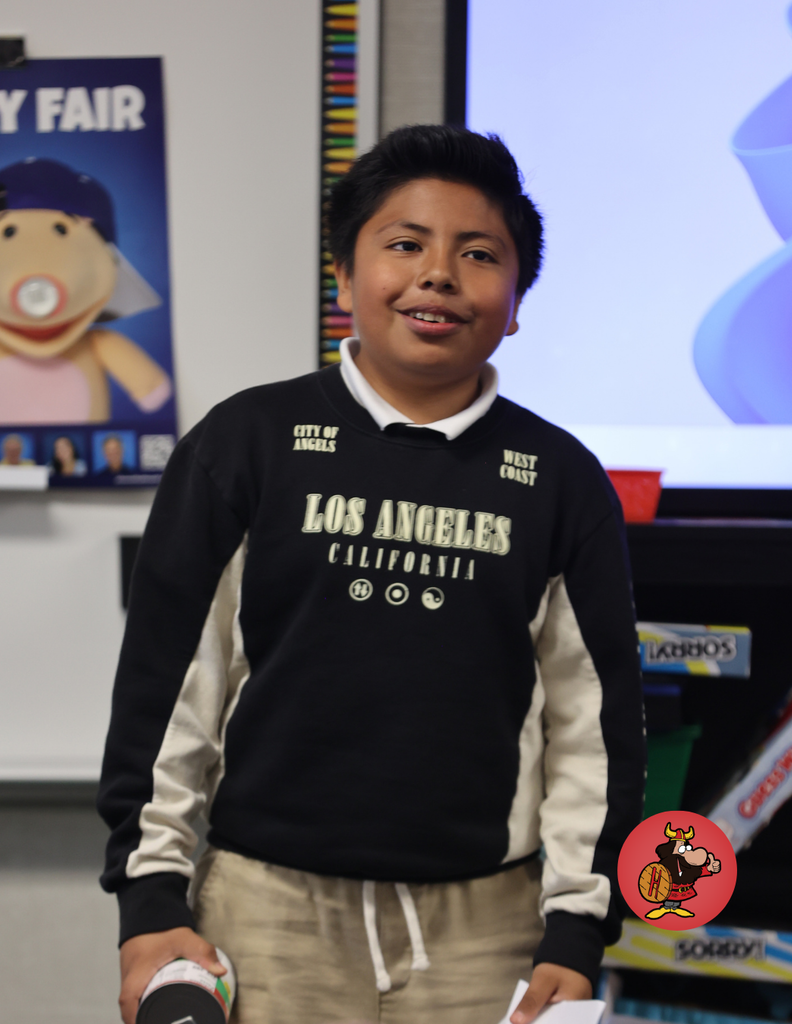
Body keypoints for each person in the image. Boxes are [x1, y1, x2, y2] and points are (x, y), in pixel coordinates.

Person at [98, 125, 645, 1024]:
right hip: (262, 913)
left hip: (488, 927)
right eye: (403, 245)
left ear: (514, 303)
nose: (437, 275)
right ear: (346, 278)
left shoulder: (559, 480)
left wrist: (578, 927)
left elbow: (591, 723)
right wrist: (149, 901)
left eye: (478, 254)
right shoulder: (244, 448)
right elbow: (171, 691)